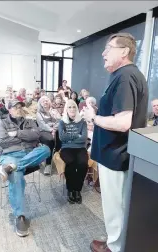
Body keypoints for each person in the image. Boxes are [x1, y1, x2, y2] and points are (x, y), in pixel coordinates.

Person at [89, 33, 148, 252]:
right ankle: (117, 240)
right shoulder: (128, 75)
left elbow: (123, 122)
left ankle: (114, 247)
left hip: (114, 154)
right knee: (120, 205)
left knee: (115, 206)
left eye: (108, 48)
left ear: (124, 51)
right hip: (118, 152)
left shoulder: (125, 76)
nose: (103, 53)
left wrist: (93, 118)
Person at [0, 99, 50, 237]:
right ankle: (20, 216)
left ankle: (11, 168)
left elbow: (36, 135)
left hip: (29, 154)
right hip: (10, 155)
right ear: (9, 109)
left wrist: (17, 134)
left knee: (46, 150)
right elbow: (1, 142)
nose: (18, 108)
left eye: (20, 106)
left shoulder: (29, 121)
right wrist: (26, 138)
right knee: (17, 176)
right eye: (15, 107)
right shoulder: (2, 123)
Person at [58, 99, 88, 204]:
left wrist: (69, 137)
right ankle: (70, 190)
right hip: (66, 148)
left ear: (77, 108)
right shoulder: (62, 122)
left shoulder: (82, 122)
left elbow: (84, 138)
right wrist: (76, 135)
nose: (72, 109)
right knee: (71, 163)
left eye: (74, 106)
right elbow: (62, 137)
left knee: (83, 164)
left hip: (80, 148)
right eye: (69, 107)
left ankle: (77, 190)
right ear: (66, 109)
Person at [36, 96, 58, 175]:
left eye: (46, 101)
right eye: (43, 101)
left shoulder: (53, 111)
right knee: (50, 140)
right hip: (43, 131)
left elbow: (58, 121)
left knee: (61, 138)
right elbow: (42, 125)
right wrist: (51, 129)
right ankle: (48, 164)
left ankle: (58, 159)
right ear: (40, 104)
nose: (45, 102)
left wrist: (54, 128)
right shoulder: (38, 113)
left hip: (55, 129)